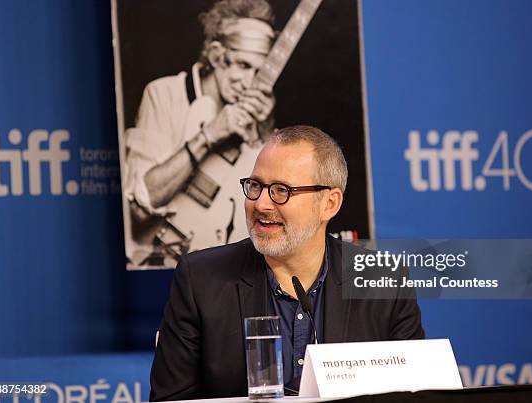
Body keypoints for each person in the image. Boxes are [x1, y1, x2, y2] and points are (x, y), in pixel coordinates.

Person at [150, 125, 425, 400]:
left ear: (329, 204)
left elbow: (415, 395)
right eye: (256, 186)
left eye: (281, 190)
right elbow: (171, 401)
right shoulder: (201, 280)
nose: (261, 204)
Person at [124, 0, 278, 265]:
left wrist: (265, 135)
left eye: (259, 70)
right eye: (242, 65)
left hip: (228, 276)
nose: (250, 83)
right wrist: (208, 136)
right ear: (217, 55)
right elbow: (139, 209)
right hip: (162, 269)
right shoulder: (164, 94)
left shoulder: (257, 111)